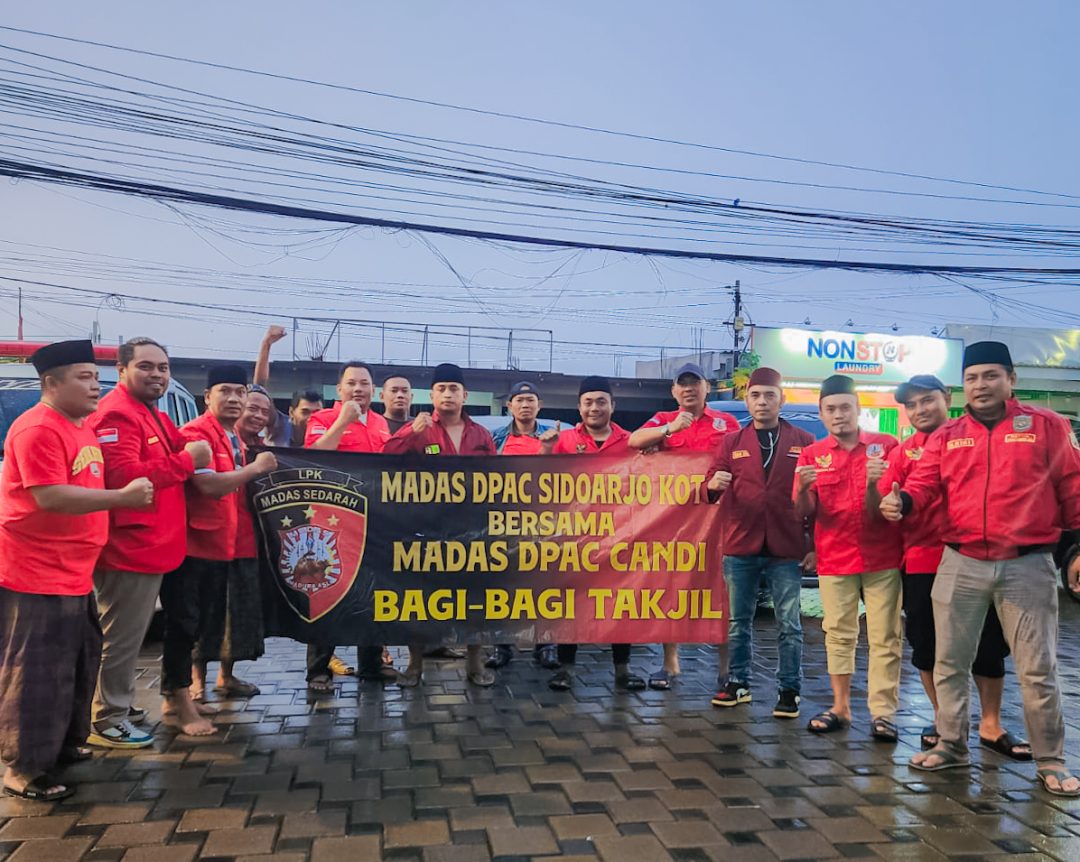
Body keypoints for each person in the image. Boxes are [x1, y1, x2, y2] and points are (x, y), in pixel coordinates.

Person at [881, 342, 1080, 795]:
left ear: (1011, 379)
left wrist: (1075, 551)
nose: (981, 385)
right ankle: (951, 745)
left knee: (1038, 668)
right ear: (963, 386)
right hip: (960, 561)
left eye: (991, 376)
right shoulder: (948, 435)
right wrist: (903, 501)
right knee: (949, 662)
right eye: (972, 378)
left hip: (1027, 565)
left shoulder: (1047, 426)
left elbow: (1072, 486)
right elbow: (924, 483)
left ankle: (1051, 760)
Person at [0, 340, 153, 801]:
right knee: (35, 674)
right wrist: (121, 498)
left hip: (73, 570)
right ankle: (23, 767)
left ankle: (61, 746)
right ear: (51, 383)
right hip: (35, 572)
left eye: (95, 376)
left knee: (76, 665)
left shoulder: (80, 427)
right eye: (84, 378)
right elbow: (49, 495)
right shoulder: (37, 429)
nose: (95, 386)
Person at [867, 374, 1031, 759]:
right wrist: (888, 502)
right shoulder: (903, 453)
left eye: (927, 400)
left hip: (979, 556)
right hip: (922, 562)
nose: (920, 410)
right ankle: (946, 720)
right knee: (927, 644)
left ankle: (990, 724)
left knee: (988, 642)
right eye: (911, 405)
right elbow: (886, 502)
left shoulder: (977, 439)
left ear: (947, 398)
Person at [86, 338, 212, 750]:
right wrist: (188, 461)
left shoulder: (150, 412)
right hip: (131, 547)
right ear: (122, 370)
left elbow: (177, 446)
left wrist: (186, 453)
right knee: (121, 638)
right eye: (146, 366)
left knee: (128, 634)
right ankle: (107, 719)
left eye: (163, 367)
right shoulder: (117, 414)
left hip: (152, 545)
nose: (157, 374)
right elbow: (123, 478)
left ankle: (116, 704)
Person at [161, 365, 277, 736]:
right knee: (184, 626)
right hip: (193, 547)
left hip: (220, 545)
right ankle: (180, 701)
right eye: (224, 391)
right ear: (208, 396)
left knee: (202, 624)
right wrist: (256, 469)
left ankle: (182, 694)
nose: (233, 398)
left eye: (239, 392)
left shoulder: (230, 436)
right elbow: (209, 487)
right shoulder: (196, 435)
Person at [794, 374, 902, 741]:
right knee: (838, 634)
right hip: (835, 557)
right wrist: (803, 489)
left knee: (886, 636)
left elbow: (884, 509)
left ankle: (883, 713)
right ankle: (840, 707)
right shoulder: (812, 455)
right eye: (831, 409)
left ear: (858, 409)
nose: (839, 414)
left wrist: (873, 484)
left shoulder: (886, 447)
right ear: (821, 414)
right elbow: (803, 511)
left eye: (845, 407)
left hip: (882, 556)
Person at [706, 367, 815, 719]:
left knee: (789, 624)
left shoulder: (803, 440)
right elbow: (709, 485)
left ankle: (789, 689)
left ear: (782, 400)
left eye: (770, 395)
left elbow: (817, 498)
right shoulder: (732, 442)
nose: (763, 402)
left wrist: (812, 545)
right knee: (739, 621)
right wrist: (712, 485)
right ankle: (738, 682)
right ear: (747, 400)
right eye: (755, 395)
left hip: (787, 544)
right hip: (741, 543)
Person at [384, 362, 498, 687]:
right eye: (441, 389)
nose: (448, 394)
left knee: (475, 598)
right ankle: (414, 665)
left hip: (473, 529)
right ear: (432, 395)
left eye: (453, 389)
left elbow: (498, 479)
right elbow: (385, 458)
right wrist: (410, 434)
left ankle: (475, 663)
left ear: (465, 395)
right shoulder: (419, 428)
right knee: (420, 598)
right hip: (427, 526)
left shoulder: (481, 434)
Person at [628, 362, 740, 690]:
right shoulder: (664, 420)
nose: (689, 389)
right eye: (683, 384)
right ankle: (670, 664)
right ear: (674, 391)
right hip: (674, 523)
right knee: (671, 589)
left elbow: (740, 460)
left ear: (707, 388)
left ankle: (726, 669)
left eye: (695, 383)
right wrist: (669, 430)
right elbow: (635, 440)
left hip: (718, 520)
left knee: (722, 592)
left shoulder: (727, 423)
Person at [540, 376, 645, 691]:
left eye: (601, 401)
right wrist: (546, 450)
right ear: (579, 407)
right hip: (575, 536)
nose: (594, 408)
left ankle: (623, 670)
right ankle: (566, 669)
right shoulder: (562, 440)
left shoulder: (632, 441)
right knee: (571, 604)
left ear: (613, 405)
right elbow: (539, 480)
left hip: (621, 534)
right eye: (588, 402)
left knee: (621, 603)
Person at [304, 361, 393, 690]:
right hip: (334, 524)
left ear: (373, 390)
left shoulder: (381, 423)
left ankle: (371, 665)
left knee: (372, 594)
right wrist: (343, 421)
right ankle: (318, 670)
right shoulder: (322, 419)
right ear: (339, 389)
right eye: (351, 383)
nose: (358, 389)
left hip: (375, 522)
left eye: (364, 383)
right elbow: (313, 457)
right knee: (328, 595)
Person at [488, 381, 561, 670]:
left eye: (530, 400)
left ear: (539, 405)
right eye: (519, 400)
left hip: (545, 521)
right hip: (504, 522)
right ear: (510, 406)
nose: (525, 405)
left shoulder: (555, 436)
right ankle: (501, 646)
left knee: (545, 586)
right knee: (503, 586)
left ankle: (547, 645)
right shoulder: (495, 438)